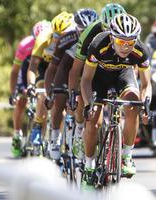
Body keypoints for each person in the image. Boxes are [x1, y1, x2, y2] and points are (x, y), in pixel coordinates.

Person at [80, 13, 152, 186]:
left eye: (130, 42)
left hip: (122, 76)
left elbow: (146, 84)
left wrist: (145, 106)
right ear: (112, 38)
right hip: (98, 79)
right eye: (121, 42)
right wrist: (89, 104)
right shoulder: (98, 45)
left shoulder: (141, 51)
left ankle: (127, 156)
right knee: (93, 122)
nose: (126, 47)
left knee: (133, 104)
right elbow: (86, 80)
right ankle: (89, 167)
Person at [68, 3, 126, 159]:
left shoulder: (127, 30)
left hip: (117, 69)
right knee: (85, 102)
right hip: (94, 70)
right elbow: (76, 69)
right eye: (108, 30)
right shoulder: (91, 34)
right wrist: (73, 93)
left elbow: (134, 64)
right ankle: (81, 131)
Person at [44, 8, 98, 160]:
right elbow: (52, 68)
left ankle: (83, 135)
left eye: (90, 30)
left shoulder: (100, 39)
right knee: (60, 99)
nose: (86, 34)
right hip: (67, 69)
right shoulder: (65, 39)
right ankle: (54, 138)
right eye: (82, 30)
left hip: (88, 71)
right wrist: (50, 93)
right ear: (76, 28)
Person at [27, 11, 75, 151]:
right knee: (43, 93)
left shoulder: (74, 41)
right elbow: (32, 67)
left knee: (64, 109)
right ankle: (37, 124)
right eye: (56, 35)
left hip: (63, 69)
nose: (58, 39)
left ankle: (61, 142)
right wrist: (31, 85)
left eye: (62, 35)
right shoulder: (43, 39)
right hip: (45, 68)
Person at [9, 20, 51, 157]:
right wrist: (14, 92)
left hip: (45, 66)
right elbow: (15, 71)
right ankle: (16, 135)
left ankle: (42, 136)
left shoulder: (52, 43)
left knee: (44, 96)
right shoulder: (25, 45)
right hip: (27, 66)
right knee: (21, 101)